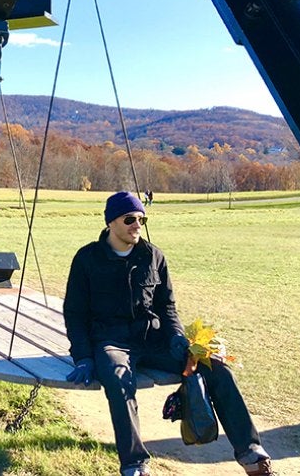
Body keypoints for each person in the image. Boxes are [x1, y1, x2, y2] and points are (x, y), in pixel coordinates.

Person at [63, 192, 275, 476]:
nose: (137, 225)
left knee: (217, 368)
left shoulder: (153, 256)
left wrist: (176, 337)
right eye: (130, 219)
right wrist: (84, 357)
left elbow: (167, 307)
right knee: (118, 379)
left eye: (141, 219)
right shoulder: (87, 258)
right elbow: (75, 313)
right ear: (110, 222)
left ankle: (251, 454)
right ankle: (135, 465)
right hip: (111, 341)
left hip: (154, 339)